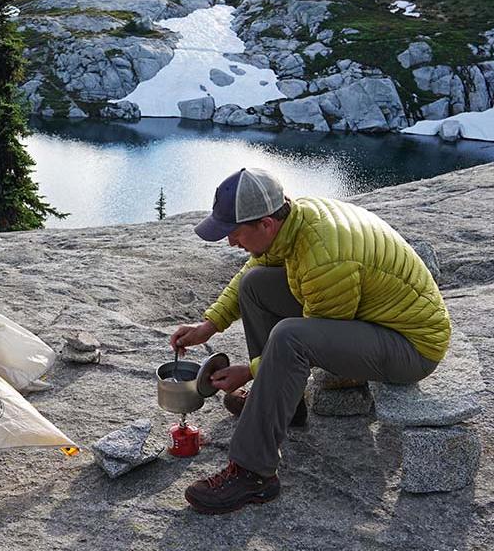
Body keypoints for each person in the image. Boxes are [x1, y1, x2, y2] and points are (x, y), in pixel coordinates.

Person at [170, 168, 451, 514]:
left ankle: (253, 473)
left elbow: (312, 334)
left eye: (234, 232)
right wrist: (209, 325)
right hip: (371, 319)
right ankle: (283, 407)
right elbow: (252, 270)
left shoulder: (324, 256)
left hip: (410, 346)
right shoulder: (293, 221)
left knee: (290, 337)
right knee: (254, 286)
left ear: (266, 224)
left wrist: (252, 370)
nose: (231, 241)